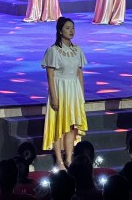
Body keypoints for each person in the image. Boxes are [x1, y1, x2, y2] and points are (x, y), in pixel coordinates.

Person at [42, 17, 88, 168]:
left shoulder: (77, 50)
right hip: (59, 89)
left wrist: (81, 94)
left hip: (73, 90)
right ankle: (59, 160)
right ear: (60, 31)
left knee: (70, 126)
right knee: (58, 125)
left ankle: (69, 158)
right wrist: (54, 96)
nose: (71, 31)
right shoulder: (53, 51)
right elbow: (50, 75)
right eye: (67, 28)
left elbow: (79, 72)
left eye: (73, 28)